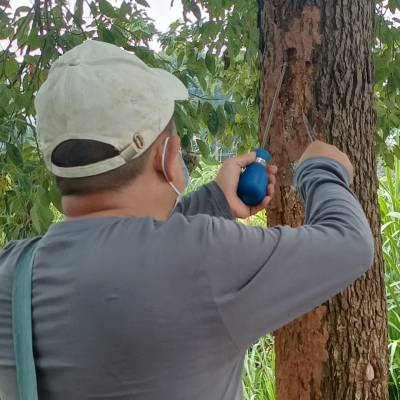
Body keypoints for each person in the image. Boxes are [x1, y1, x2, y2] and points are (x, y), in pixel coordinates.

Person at [0, 40, 374, 400]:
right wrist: (321, 169)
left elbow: (135, 254)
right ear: (167, 157)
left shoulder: (11, 271)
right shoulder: (205, 258)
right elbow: (349, 243)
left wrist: (215, 202)